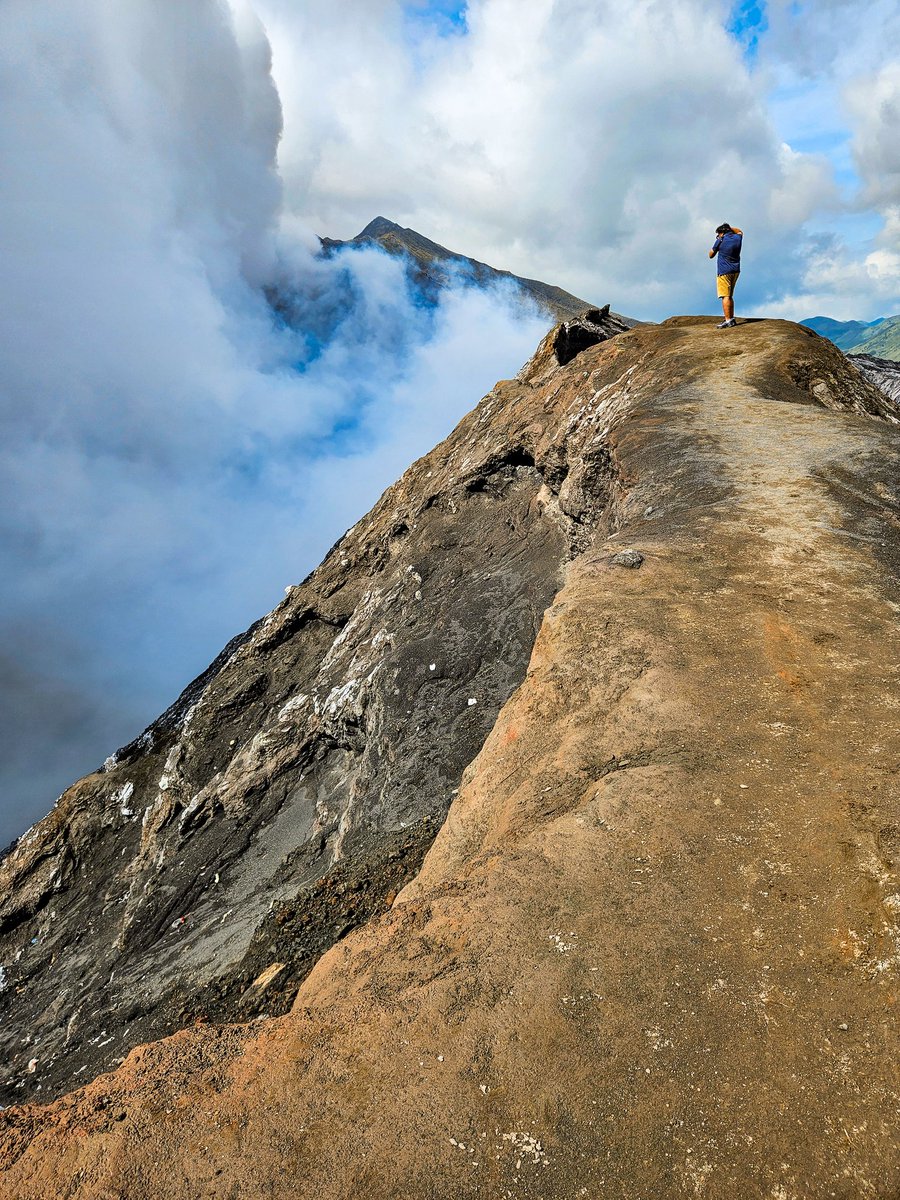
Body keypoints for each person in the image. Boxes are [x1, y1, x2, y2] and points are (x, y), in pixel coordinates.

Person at [709, 223, 743, 328]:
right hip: (735, 270)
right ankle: (731, 318)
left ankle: (728, 320)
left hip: (724, 271)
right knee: (729, 295)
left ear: (722, 233)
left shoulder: (721, 240)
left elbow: (710, 255)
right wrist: (728, 228)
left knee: (725, 296)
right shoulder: (738, 238)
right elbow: (740, 231)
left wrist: (719, 239)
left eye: (718, 234)